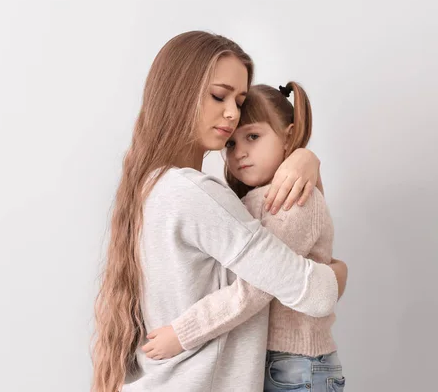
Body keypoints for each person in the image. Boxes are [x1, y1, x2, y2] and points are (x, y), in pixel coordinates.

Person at [91, 31, 347, 392]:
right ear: (178, 93)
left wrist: (302, 157)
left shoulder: (153, 186)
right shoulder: (195, 194)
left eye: (240, 101)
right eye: (218, 95)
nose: (232, 113)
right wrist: (339, 271)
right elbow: (316, 294)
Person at [142, 82, 347, 392]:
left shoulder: (290, 201)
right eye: (231, 144)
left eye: (253, 136)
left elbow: (256, 287)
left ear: (288, 135)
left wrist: (183, 333)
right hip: (272, 361)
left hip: (297, 365)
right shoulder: (248, 201)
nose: (240, 153)